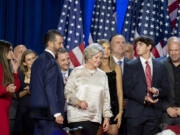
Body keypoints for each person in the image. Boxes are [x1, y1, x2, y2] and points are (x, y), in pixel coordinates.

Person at [124, 36, 169, 135]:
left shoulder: (161, 66)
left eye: (141, 45)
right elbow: (127, 89)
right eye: (136, 45)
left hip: (154, 114)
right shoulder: (130, 65)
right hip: (135, 114)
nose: (137, 47)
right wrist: (144, 97)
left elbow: (166, 89)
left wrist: (157, 92)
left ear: (149, 47)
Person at [65, 43, 112, 135]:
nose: (99, 60)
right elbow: (67, 93)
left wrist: (107, 117)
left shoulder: (103, 75)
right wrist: (78, 102)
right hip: (76, 116)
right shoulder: (76, 71)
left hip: (94, 118)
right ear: (88, 57)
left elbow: (106, 99)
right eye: (96, 57)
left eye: (100, 57)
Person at [29, 30, 65, 135]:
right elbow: (50, 89)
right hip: (49, 115)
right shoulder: (51, 62)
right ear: (50, 43)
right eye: (59, 43)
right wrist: (56, 113)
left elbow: (33, 87)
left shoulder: (37, 61)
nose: (61, 46)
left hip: (37, 114)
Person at [98, 39, 123, 135]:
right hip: (97, 108)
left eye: (108, 48)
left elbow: (119, 92)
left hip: (113, 108)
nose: (106, 51)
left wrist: (120, 112)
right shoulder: (95, 67)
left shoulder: (116, 67)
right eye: (103, 48)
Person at [14, 49, 37, 135]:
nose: (32, 61)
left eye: (33, 58)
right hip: (23, 113)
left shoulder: (42, 74)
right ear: (24, 63)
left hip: (37, 113)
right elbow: (16, 95)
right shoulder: (20, 74)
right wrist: (26, 91)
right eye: (29, 59)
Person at [0, 40, 20, 135]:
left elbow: (15, 88)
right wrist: (6, 89)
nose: (12, 53)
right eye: (10, 50)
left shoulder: (6, 67)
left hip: (5, 110)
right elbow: (7, 88)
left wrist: (15, 71)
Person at [161, 36, 180, 126]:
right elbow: (155, 92)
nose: (173, 53)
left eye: (176, 50)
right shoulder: (160, 66)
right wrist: (167, 108)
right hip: (166, 116)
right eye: (171, 50)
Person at [56, 48, 73, 128]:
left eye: (68, 59)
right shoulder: (52, 75)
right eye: (63, 60)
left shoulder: (75, 73)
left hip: (72, 114)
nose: (67, 62)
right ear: (56, 61)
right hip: (58, 114)